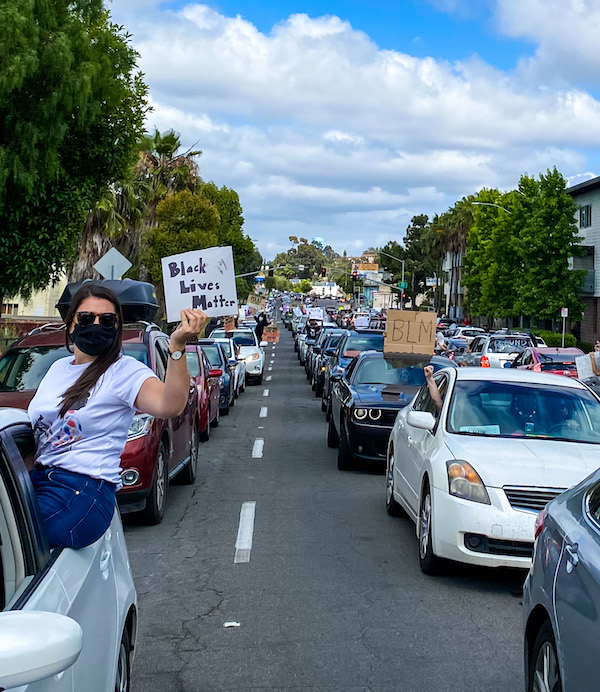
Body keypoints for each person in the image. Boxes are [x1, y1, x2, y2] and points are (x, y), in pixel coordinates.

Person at [27, 283, 207, 549]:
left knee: (16, 545)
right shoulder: (57, 369)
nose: (96, 325)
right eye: (87, 318)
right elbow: (37, 431)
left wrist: (177, 345)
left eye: (107, 320)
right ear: (71, 323)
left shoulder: (124, 371)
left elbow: (170, 405)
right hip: (40, 481)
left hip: (82, 491)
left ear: (117, 327)